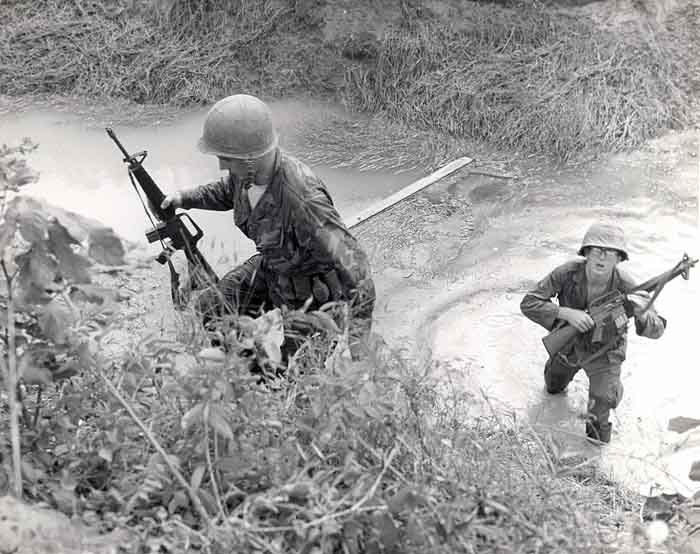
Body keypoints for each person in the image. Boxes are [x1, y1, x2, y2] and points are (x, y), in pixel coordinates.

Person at [159, 94, 375, 357]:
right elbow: (227, 191)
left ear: (251, 157)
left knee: (297, 377)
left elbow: (357, 270)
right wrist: (184, 198)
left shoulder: (304, 201)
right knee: (212, 309)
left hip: (311, 296)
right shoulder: (246, 174)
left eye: (227, 158)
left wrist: (359, 344)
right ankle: (245, 368)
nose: (221, 165)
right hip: (271, 267)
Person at [520, 222, 666, 443]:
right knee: (553, 387)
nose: (602, 257)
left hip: (605, 350)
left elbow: (658, 330)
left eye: (610, 253)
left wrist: (642, 312)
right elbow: (529, 303)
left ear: (619, 259)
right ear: (586, 253)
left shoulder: (628, 285)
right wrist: (566, 313)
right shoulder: (566, 273)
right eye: (597, 250)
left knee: (601, 404)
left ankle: (596, 454)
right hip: (570, 344)